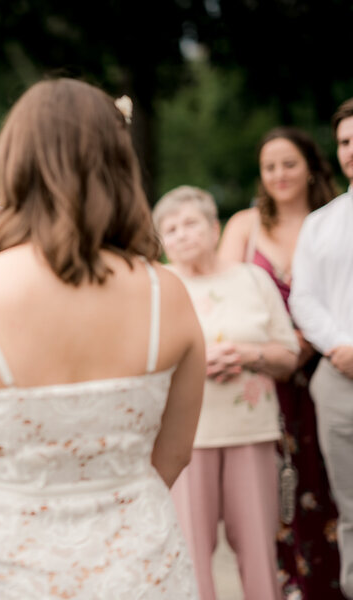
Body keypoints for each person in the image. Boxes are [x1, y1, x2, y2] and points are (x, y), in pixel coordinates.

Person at [0, 77, 205, 598]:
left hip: (11, 570)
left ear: (15, 161)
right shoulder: (168, 294)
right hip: (142, 566)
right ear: (117, 160)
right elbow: (175, 455)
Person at [153, 185, 299, 600]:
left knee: (258, 553)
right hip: (185, 439)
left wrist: (251, 354)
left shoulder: (253, 279)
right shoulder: (158, 285)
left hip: (250, 432)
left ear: (215, 227)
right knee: (191, 557)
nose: (182, 233)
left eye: (191, 222)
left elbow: (288, 354)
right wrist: (192, 363)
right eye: (171, 227)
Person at [218, 126, 344, 598]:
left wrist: (310, 342)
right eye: (269, 166)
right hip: (264, 379)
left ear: (311, 166)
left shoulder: (331, 222)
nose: (279, 174)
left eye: (289, 163)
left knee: (329, 482)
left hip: (328, 367)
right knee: (271, 492)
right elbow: (222, 299)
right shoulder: (243, 227)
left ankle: (331, 584)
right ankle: (285, 583)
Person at [290, 97, 353, 599]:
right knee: (350, 507)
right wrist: (338, 346)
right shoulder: (321, 223)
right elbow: (305, 299)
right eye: (346, 142)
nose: (352, 150)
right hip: (338, 379)